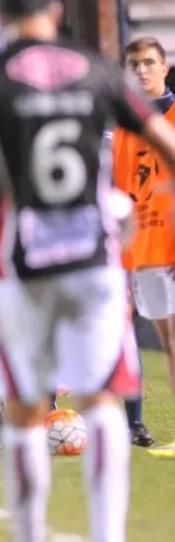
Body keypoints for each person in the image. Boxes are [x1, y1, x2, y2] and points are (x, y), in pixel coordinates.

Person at [0, 0, 175, 542]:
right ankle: (106, 535)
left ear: (0, 17)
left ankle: (29, 533)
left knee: (24, 407)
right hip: (95, 262)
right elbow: (164, 139)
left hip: (26, 265)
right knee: (100, 405)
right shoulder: (97, 70)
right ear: (56, 13)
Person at [113, 36, 175, 450]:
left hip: (169, 242)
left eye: (149, 62)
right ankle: (132, 423)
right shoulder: (117, 121)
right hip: (131, 245)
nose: (141, 70)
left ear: (165, 67)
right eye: (134, 64)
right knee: (126, 334)